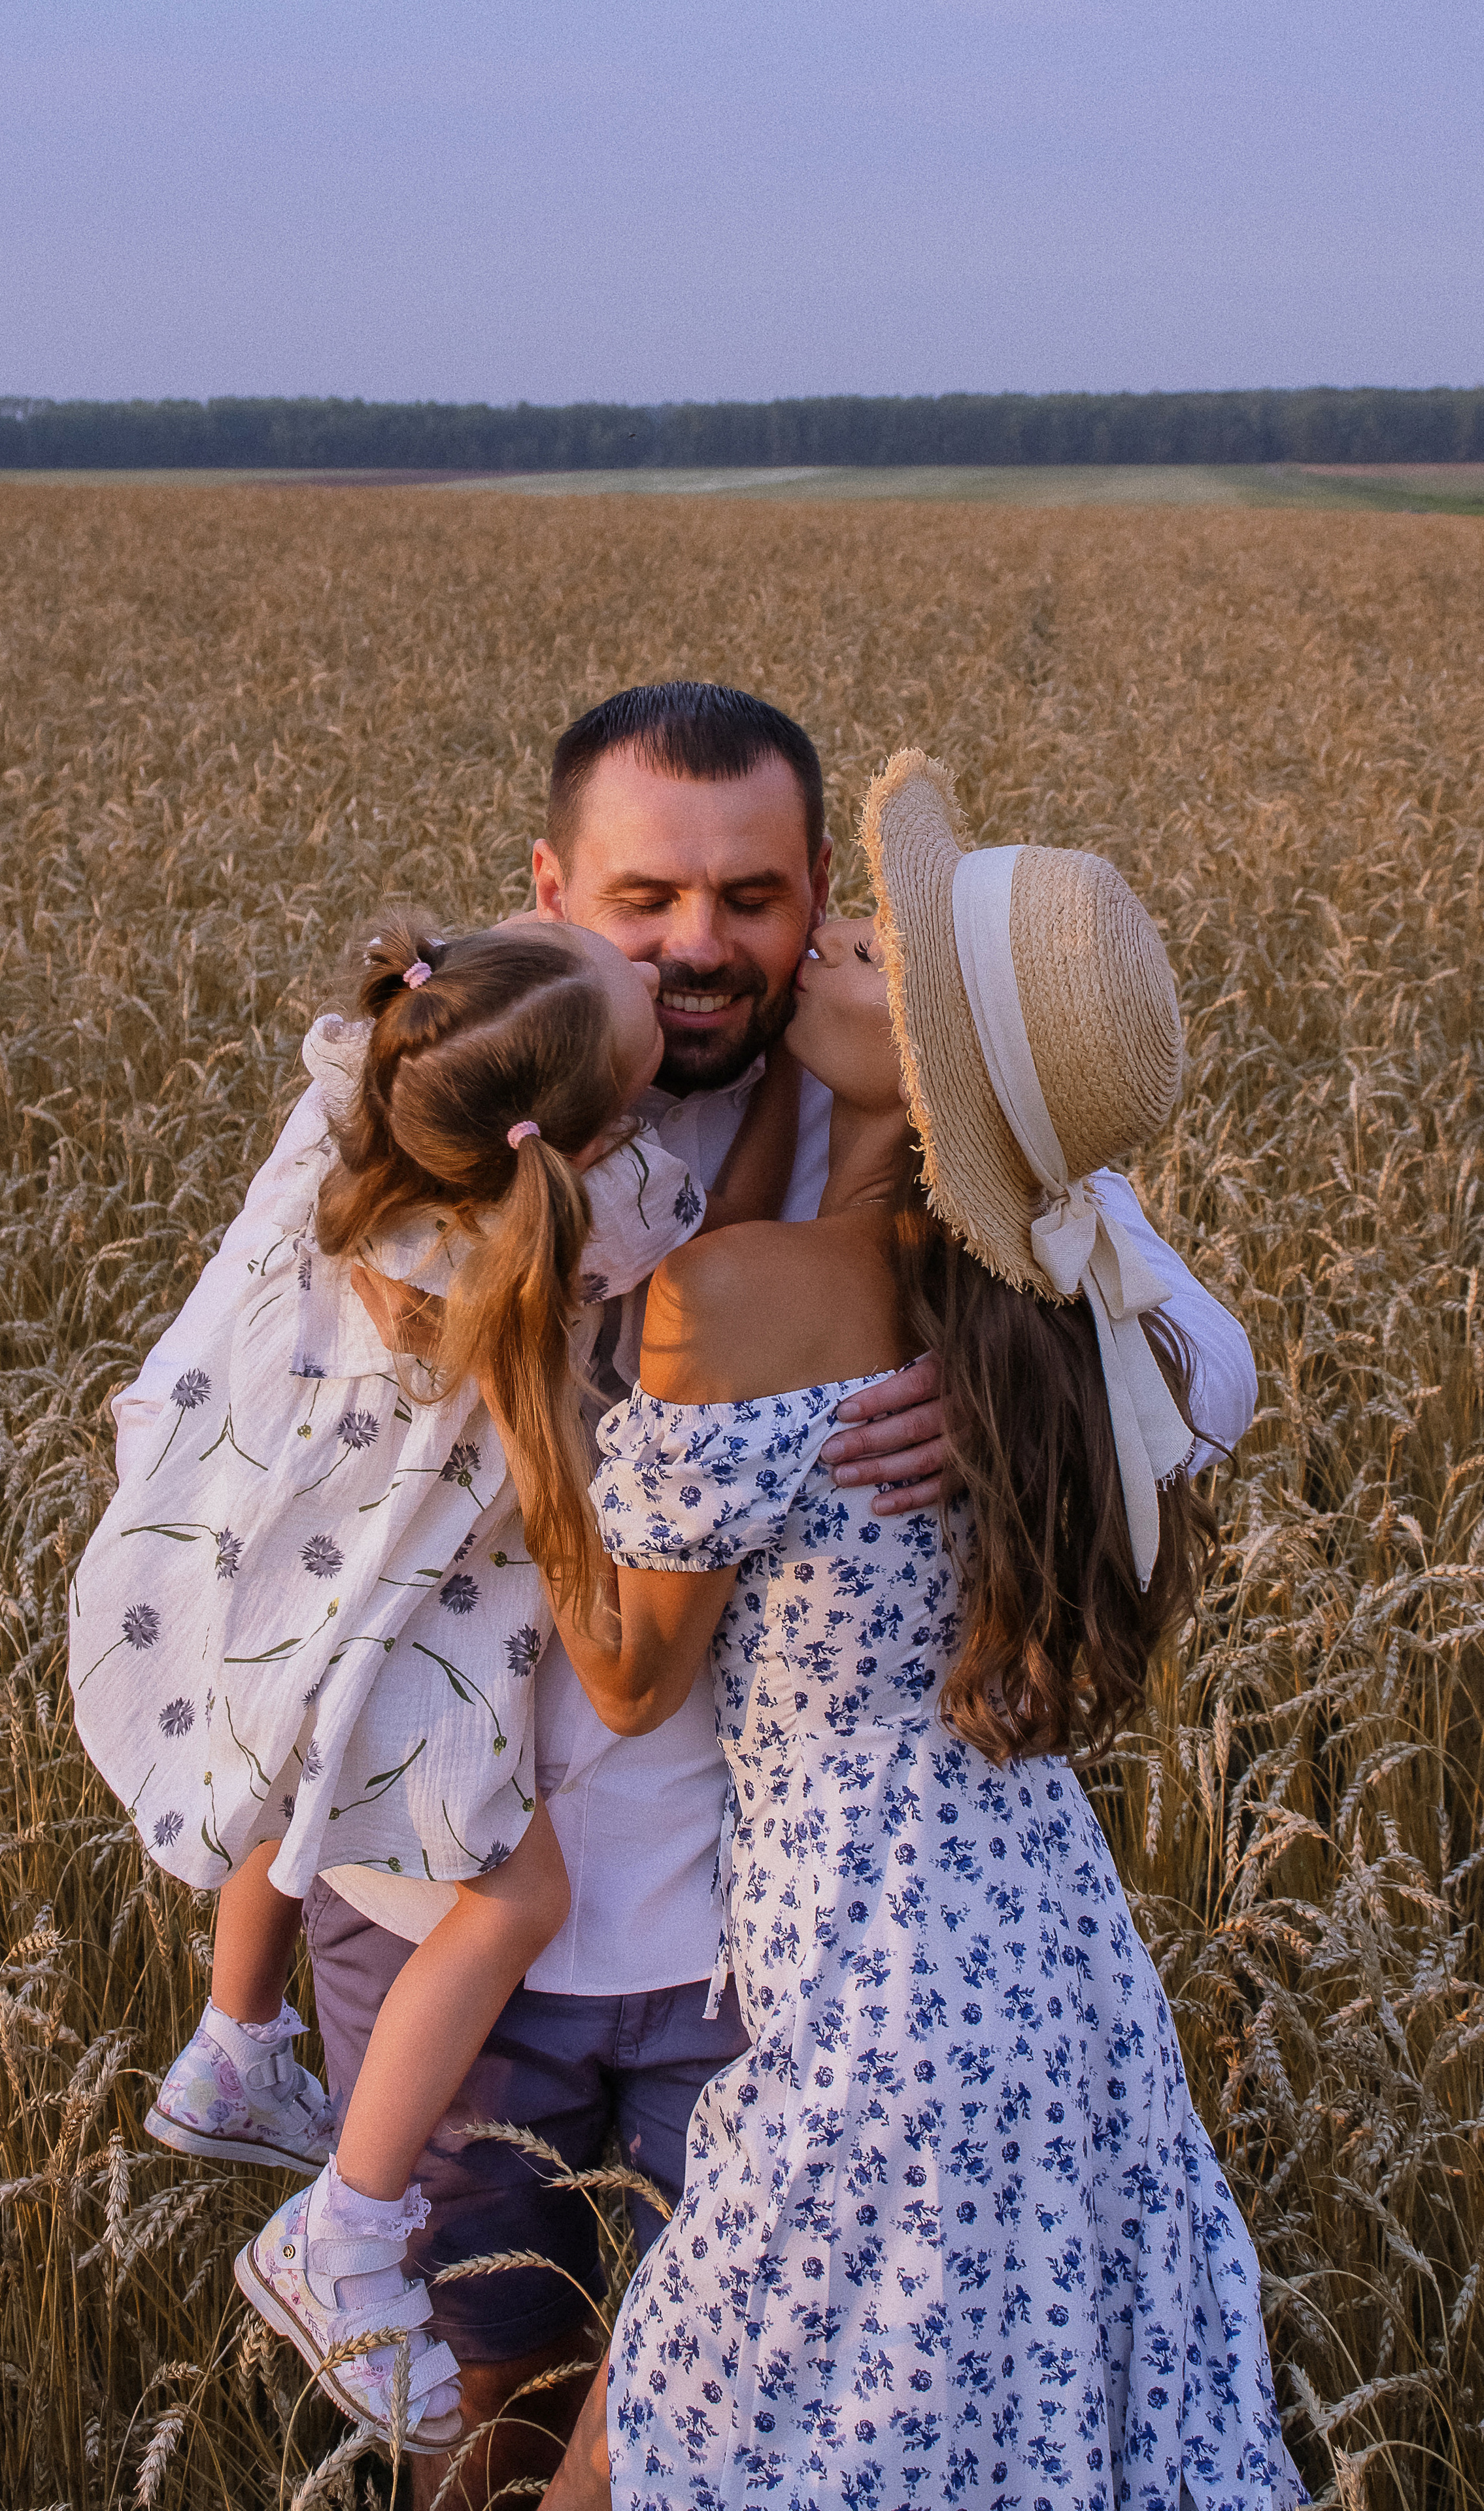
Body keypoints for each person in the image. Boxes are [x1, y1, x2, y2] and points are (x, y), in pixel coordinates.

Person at [120, 685, 1256, 2502]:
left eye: (752, 900)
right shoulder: (449, 1088)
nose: (702, 947)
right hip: (449, 1915)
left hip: (742, 1934)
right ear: (553, 889)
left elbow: (1207, 1359)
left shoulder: (936, 1126)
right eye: (649, 900)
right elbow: (227, 1433)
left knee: (716, 2430)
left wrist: (992, 1369)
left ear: (818, 898)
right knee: (493, 2406)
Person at [531, 751, 1304, 2509]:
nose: (827, 951)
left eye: (876, 965)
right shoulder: (1051, 1311)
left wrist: (527, 1395)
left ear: (944, 1088)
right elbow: (1198, 1363)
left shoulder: (741, 1295)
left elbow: (634, 1675)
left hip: (881, 1990)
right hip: (1054, 1962)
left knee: (656, 2455)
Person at [71, 910, 787, 2446]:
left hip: (255, 1565)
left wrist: (453, 973)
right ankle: (342, 2225)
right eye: (628, 979)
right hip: (392, 1639)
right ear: (587, 1127)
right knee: (506, 1901)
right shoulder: (606, 1213)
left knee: (278, 1763)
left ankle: (232, 2040)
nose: (660, 971)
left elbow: (372, 1042)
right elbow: (722, 1199)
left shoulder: (365, 1117)